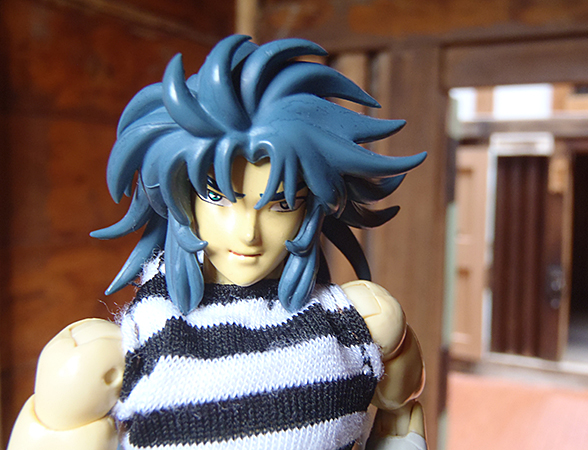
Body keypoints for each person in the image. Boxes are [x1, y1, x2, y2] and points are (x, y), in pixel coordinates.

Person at [8, 35, 427, 450]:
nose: (249, 232)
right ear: (181, 194)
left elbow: (399, 421)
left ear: (312, 209)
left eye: (282, 203)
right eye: (218, 196)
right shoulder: (107, 359)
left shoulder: (363, 322)